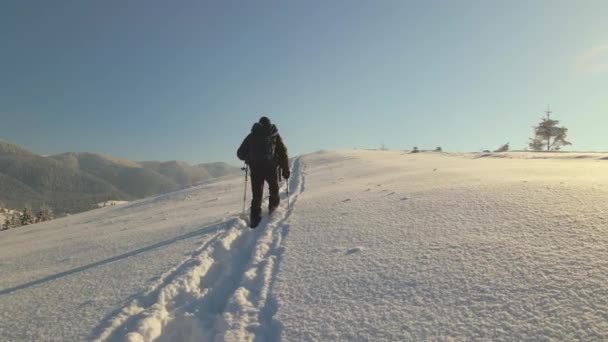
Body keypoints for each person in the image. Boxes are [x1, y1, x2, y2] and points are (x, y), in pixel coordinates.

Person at [237, 116, 290, 228]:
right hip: (270, 167)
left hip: (255, 168)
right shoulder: (274, 135)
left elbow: (240, 153)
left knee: (257, 194)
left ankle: (255, 220)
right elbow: (283, 152)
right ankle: (273, 211)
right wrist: (285, 169)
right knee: (274, 189)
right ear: (270, 124)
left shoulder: (252, 136)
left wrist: (248, 157)